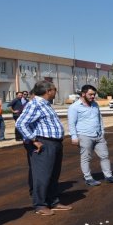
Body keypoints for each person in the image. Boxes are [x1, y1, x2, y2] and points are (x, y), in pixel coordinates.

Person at [16, 81, 72, 216]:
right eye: (54, 89)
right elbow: (21, 123)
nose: (56, 91)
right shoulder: (35, 104)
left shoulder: (45, 104)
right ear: (48, 91)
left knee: (53, 174)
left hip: (54, 143)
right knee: (42, 175)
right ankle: (40, 205)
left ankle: (53, 201)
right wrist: (33, 140)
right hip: (44, 143)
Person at [68, 84, 113, 187]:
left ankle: (108, 176)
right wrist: (74, 137)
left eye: (94, 94)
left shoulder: (95, 104)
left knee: (105, 156)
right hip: (84, 135)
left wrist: (102, 131)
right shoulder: (74, 107)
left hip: (98, 135)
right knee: (86, 158)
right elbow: (71, 123)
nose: (93, 96)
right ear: (83, 94)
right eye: (90, 94)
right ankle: (88, 178)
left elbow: (99, 119)